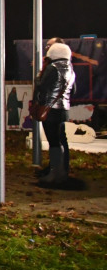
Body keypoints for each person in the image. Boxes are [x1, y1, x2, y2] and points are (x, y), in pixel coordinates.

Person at [34, 42, 76, 186]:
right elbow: (74, 90)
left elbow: (42, 87)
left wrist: (38, 76)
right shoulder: (70, 69)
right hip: (63, 110)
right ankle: (61, 171)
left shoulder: (52, 68)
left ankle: (54, 173)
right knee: (58, 141)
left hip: (50, 110)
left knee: (53, 143)